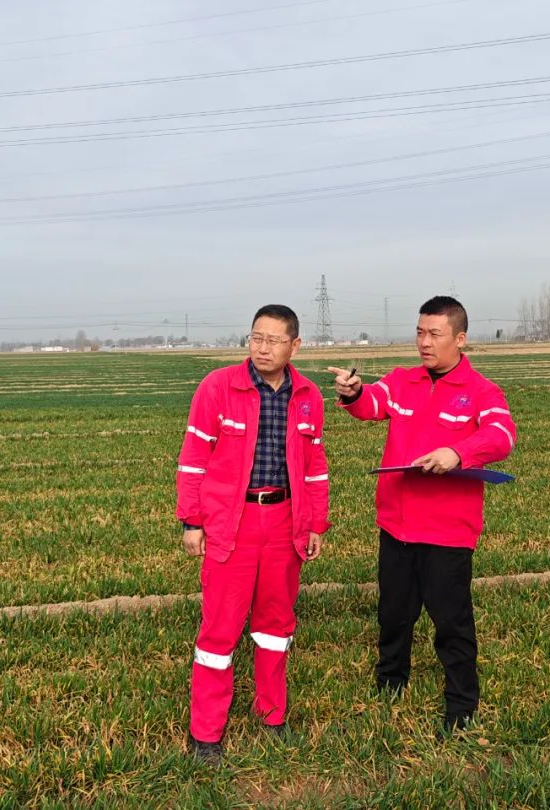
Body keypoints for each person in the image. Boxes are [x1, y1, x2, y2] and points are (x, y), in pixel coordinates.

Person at [328, 295, 516, 734]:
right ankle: (391, 682)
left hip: (448, 532)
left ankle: (461, 704)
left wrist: (459, 452)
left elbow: (502, 435)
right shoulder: (402, 381)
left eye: (434, 334)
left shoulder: (482, 392)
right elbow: (371, 403)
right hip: (396, 524)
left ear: (460, 339)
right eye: (419, 332)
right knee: (393, 613)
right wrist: (353, 393)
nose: (424, 342)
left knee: (451, 621)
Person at [176, 304, 330, 764]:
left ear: (294, 345)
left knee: (275, 626)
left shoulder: (308, 396)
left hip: (284, 521)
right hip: (232, 522)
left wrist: (316, 523)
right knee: (219, 629)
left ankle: (272, 715)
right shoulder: (218, 387)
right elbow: (193, 458)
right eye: (256, 338)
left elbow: (315, 467)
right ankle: (206, 733)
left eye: (273, 340)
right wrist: (192, 520)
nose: (263, 348)